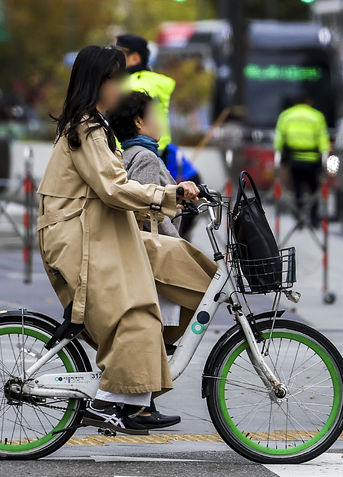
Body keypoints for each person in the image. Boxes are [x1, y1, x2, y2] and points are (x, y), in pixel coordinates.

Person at [37, 45, 200, 434]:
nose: (123, 86)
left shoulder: (93, 125)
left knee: (170, 277)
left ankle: (134, 397)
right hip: (79, 239)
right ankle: (112, 402)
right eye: (118, 79)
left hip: (95, 231)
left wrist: (165, 200)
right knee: (137, 313)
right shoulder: (86, 127)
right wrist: (169, 196)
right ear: (100, 83)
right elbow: (113, 188)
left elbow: (109, 191)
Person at [107, 89, 217, 348]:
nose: (160, 121)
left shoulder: (129, 154)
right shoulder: (146, 158)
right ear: (138, 121)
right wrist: (176, 242)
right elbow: (142, 209)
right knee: (203, 289)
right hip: (154, 255)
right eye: (155, 115)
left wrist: (176, 197)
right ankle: (156, 353)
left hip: (141, 255)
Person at [116, 33, 203, 237]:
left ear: (135, 58)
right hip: (159, 150)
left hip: (137, 151)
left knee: (157, 207)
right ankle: (181, 237)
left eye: (118, 54)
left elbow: (144, 212)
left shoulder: (132, 85)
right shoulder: (155, 82)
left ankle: (179, 237)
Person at [274, 94, 330, 227]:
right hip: (312, 160)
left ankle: (299, 217)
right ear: (308, 101)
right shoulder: (317, 116)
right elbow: (322, 138)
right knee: (314, 189)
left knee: (297, 189)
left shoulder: (286, 115)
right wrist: (324, 157)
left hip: (294, 159)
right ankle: (314, 219)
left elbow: (279, 137)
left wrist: (279, 154)